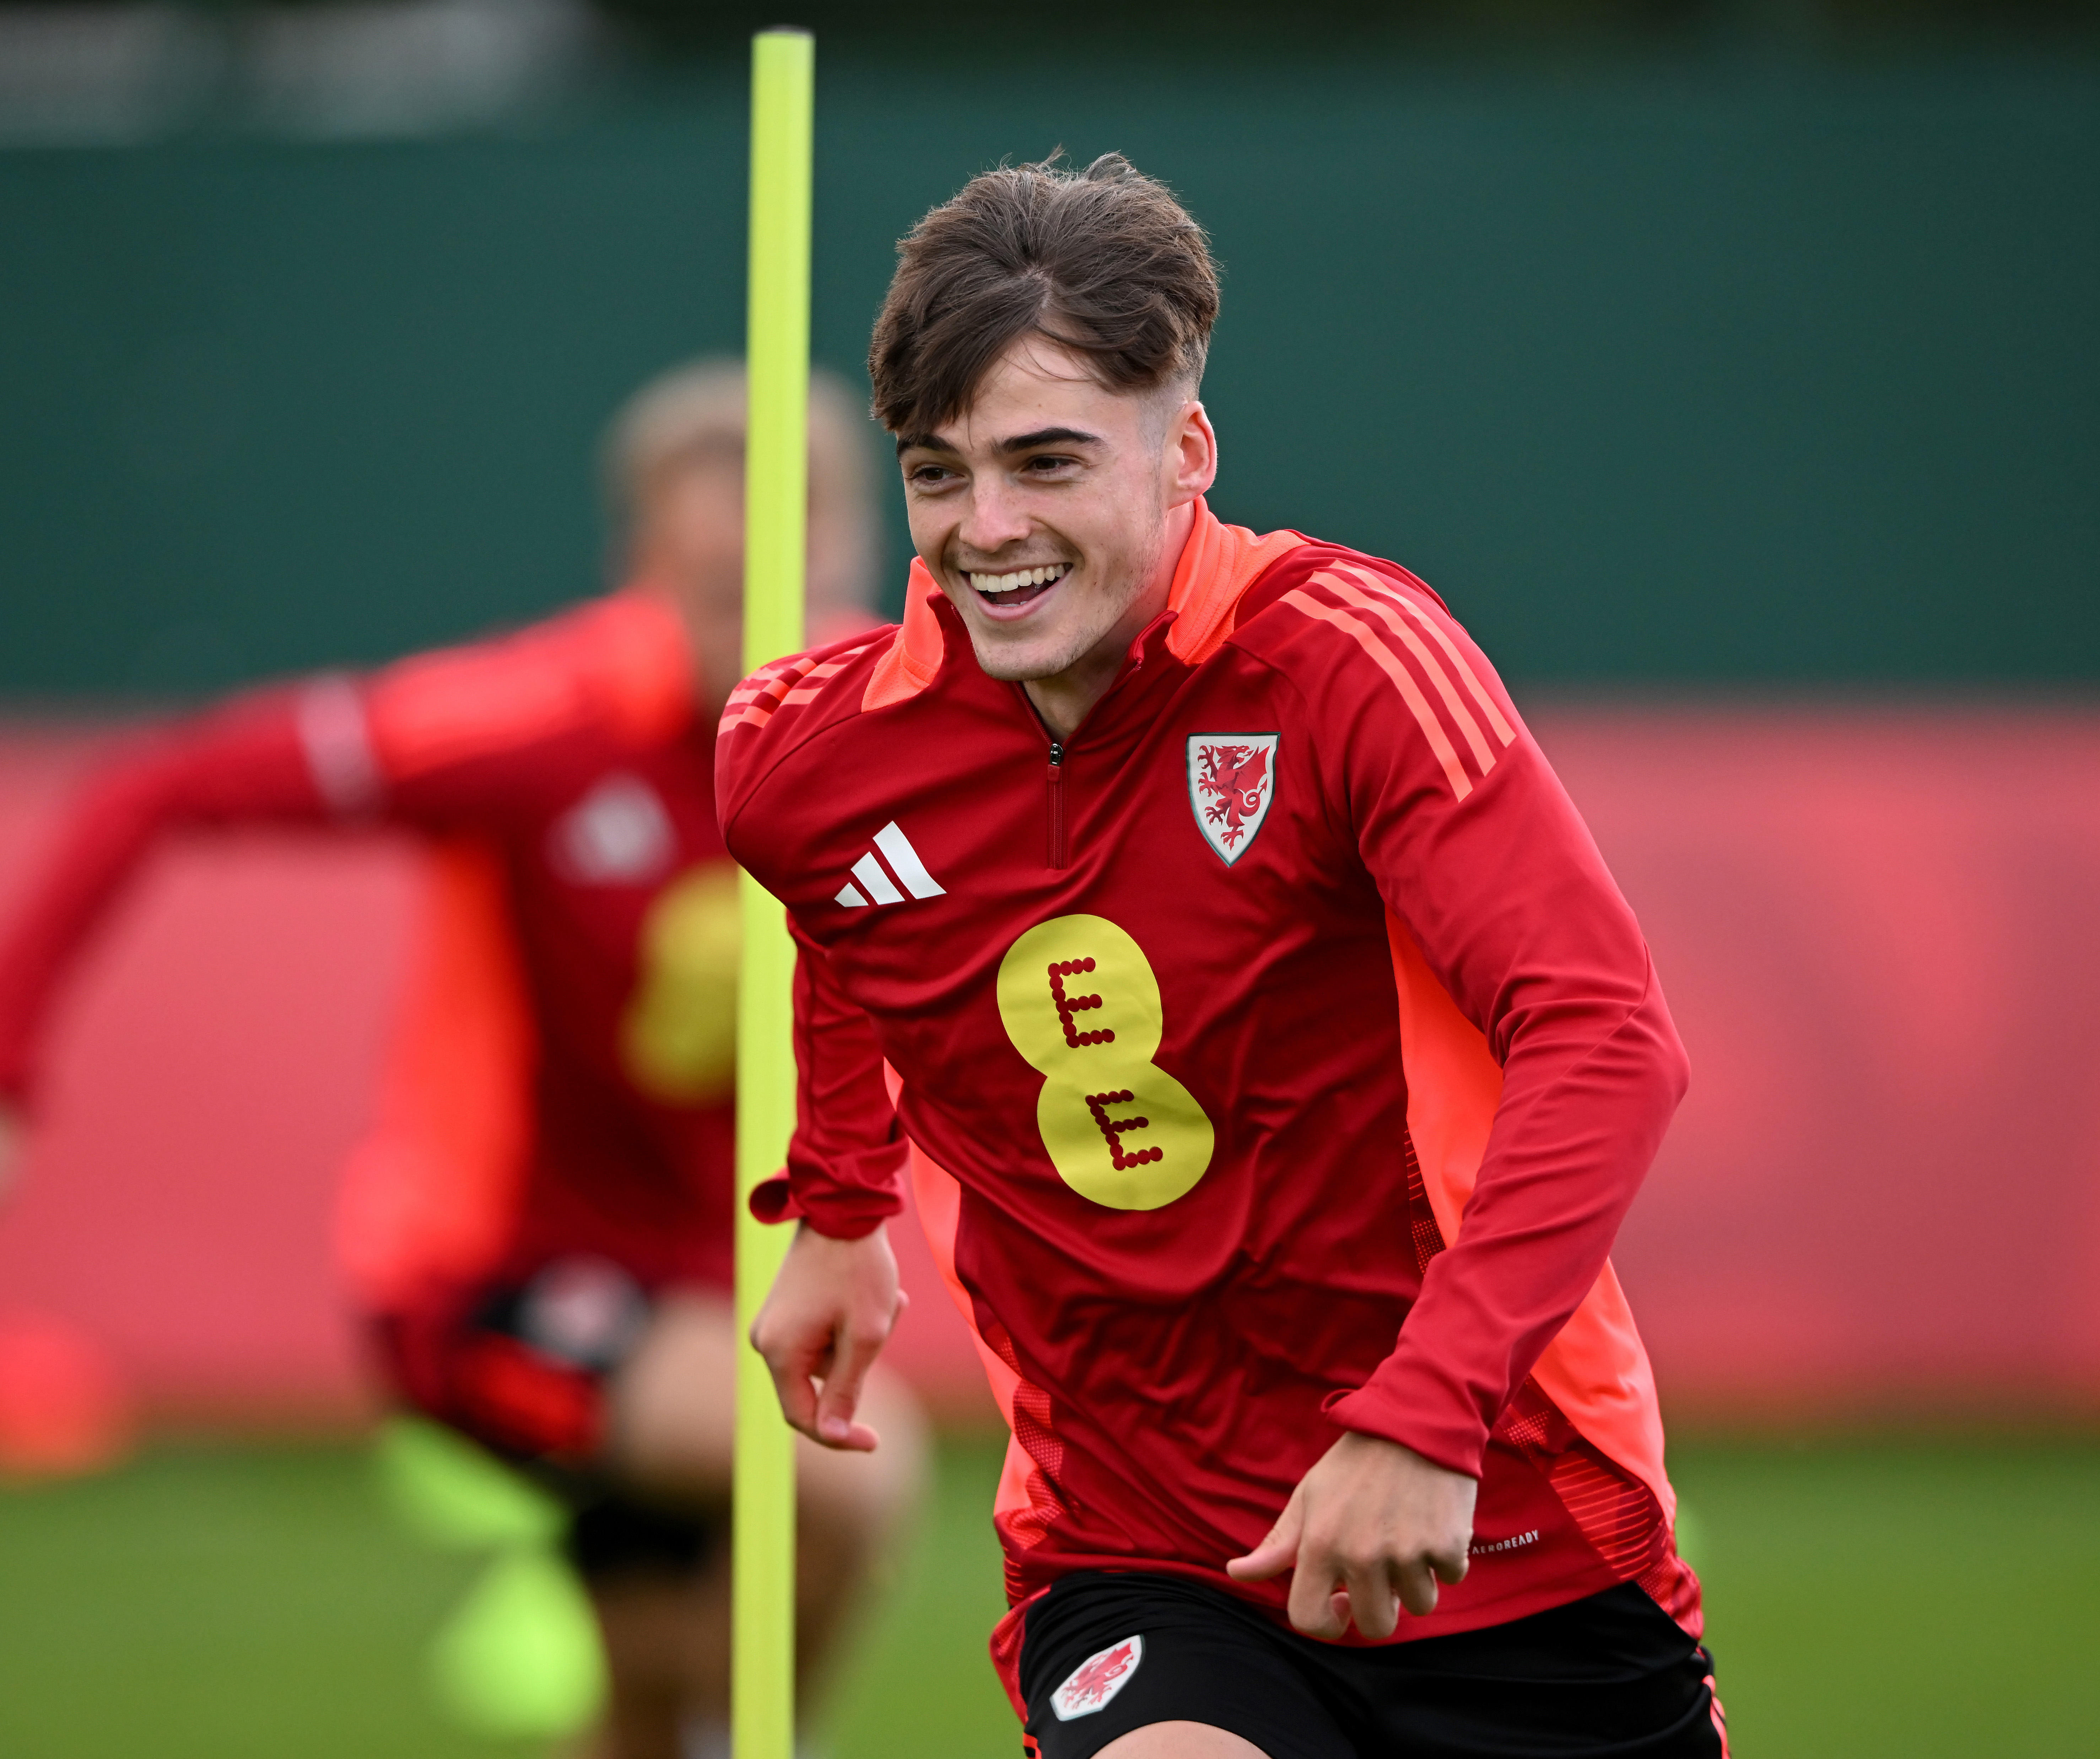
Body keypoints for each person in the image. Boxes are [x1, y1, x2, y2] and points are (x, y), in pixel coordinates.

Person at [724, 153, 1727, 1759]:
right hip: (1136, 1542)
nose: (987, 534)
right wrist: (839, 1205)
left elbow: (1607, 1041)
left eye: (1046, 462)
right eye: (938, 475)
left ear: (1185, 448)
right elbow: (842, 908)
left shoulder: (1348, 660)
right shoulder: (802, 750)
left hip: (1492, 1512)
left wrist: (1427, 1413)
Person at [0, 361, 925, 1759]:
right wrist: (11, 1058)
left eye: (787, 577)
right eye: (714, 582)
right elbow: (158, 788)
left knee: (636, 1708)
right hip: (482, 1285)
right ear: (640, 563)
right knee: (856, 1469)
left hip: (705, 1287)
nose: (755, 625)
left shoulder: (898, 729)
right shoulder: (537, 723)